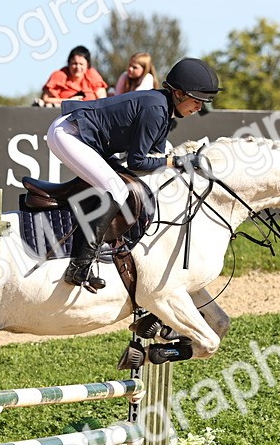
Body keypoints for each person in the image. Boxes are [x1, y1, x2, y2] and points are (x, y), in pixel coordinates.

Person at [45, 57, 220, 291]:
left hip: (86, 138)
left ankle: (107, 250)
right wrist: (178, 161)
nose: (199, 108)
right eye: (197, 101)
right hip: (69, 133)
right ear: (178, 93)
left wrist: (182, 161)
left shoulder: (164, 111)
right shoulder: (156, 110)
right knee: (115, 189)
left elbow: (157, 158)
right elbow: (138, 161)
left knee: (124, 185)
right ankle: (80, 265)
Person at [39, 45, 108, 107]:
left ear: (87, 65)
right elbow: (45, 99)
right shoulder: (59, 75)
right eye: (74, 63)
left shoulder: (92, 75)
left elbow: (103, 102)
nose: (78, 67)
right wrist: (68, 101)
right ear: (69, 63)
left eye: (81, 64)